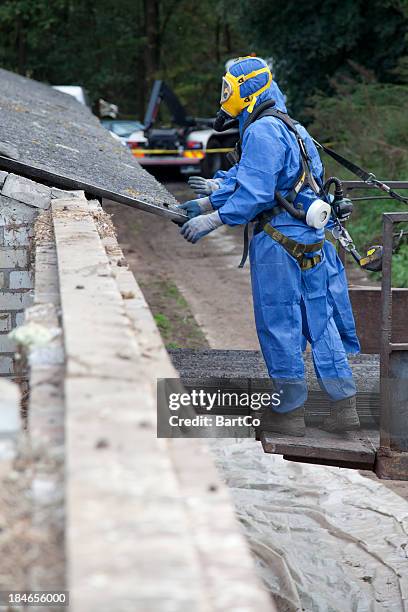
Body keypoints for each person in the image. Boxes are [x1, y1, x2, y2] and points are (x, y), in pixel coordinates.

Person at [177, 56, 360, 436]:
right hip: (313, 243)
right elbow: (269, 178)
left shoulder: (260, 131)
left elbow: (257, 192)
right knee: (321, 321)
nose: (224, 96)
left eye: (228, 88)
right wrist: (211, 195)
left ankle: (290, 413)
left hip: (279, 245)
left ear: (246, 90)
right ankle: (345, 407)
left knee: (280, 323)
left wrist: (213, 218)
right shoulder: (293, 127)